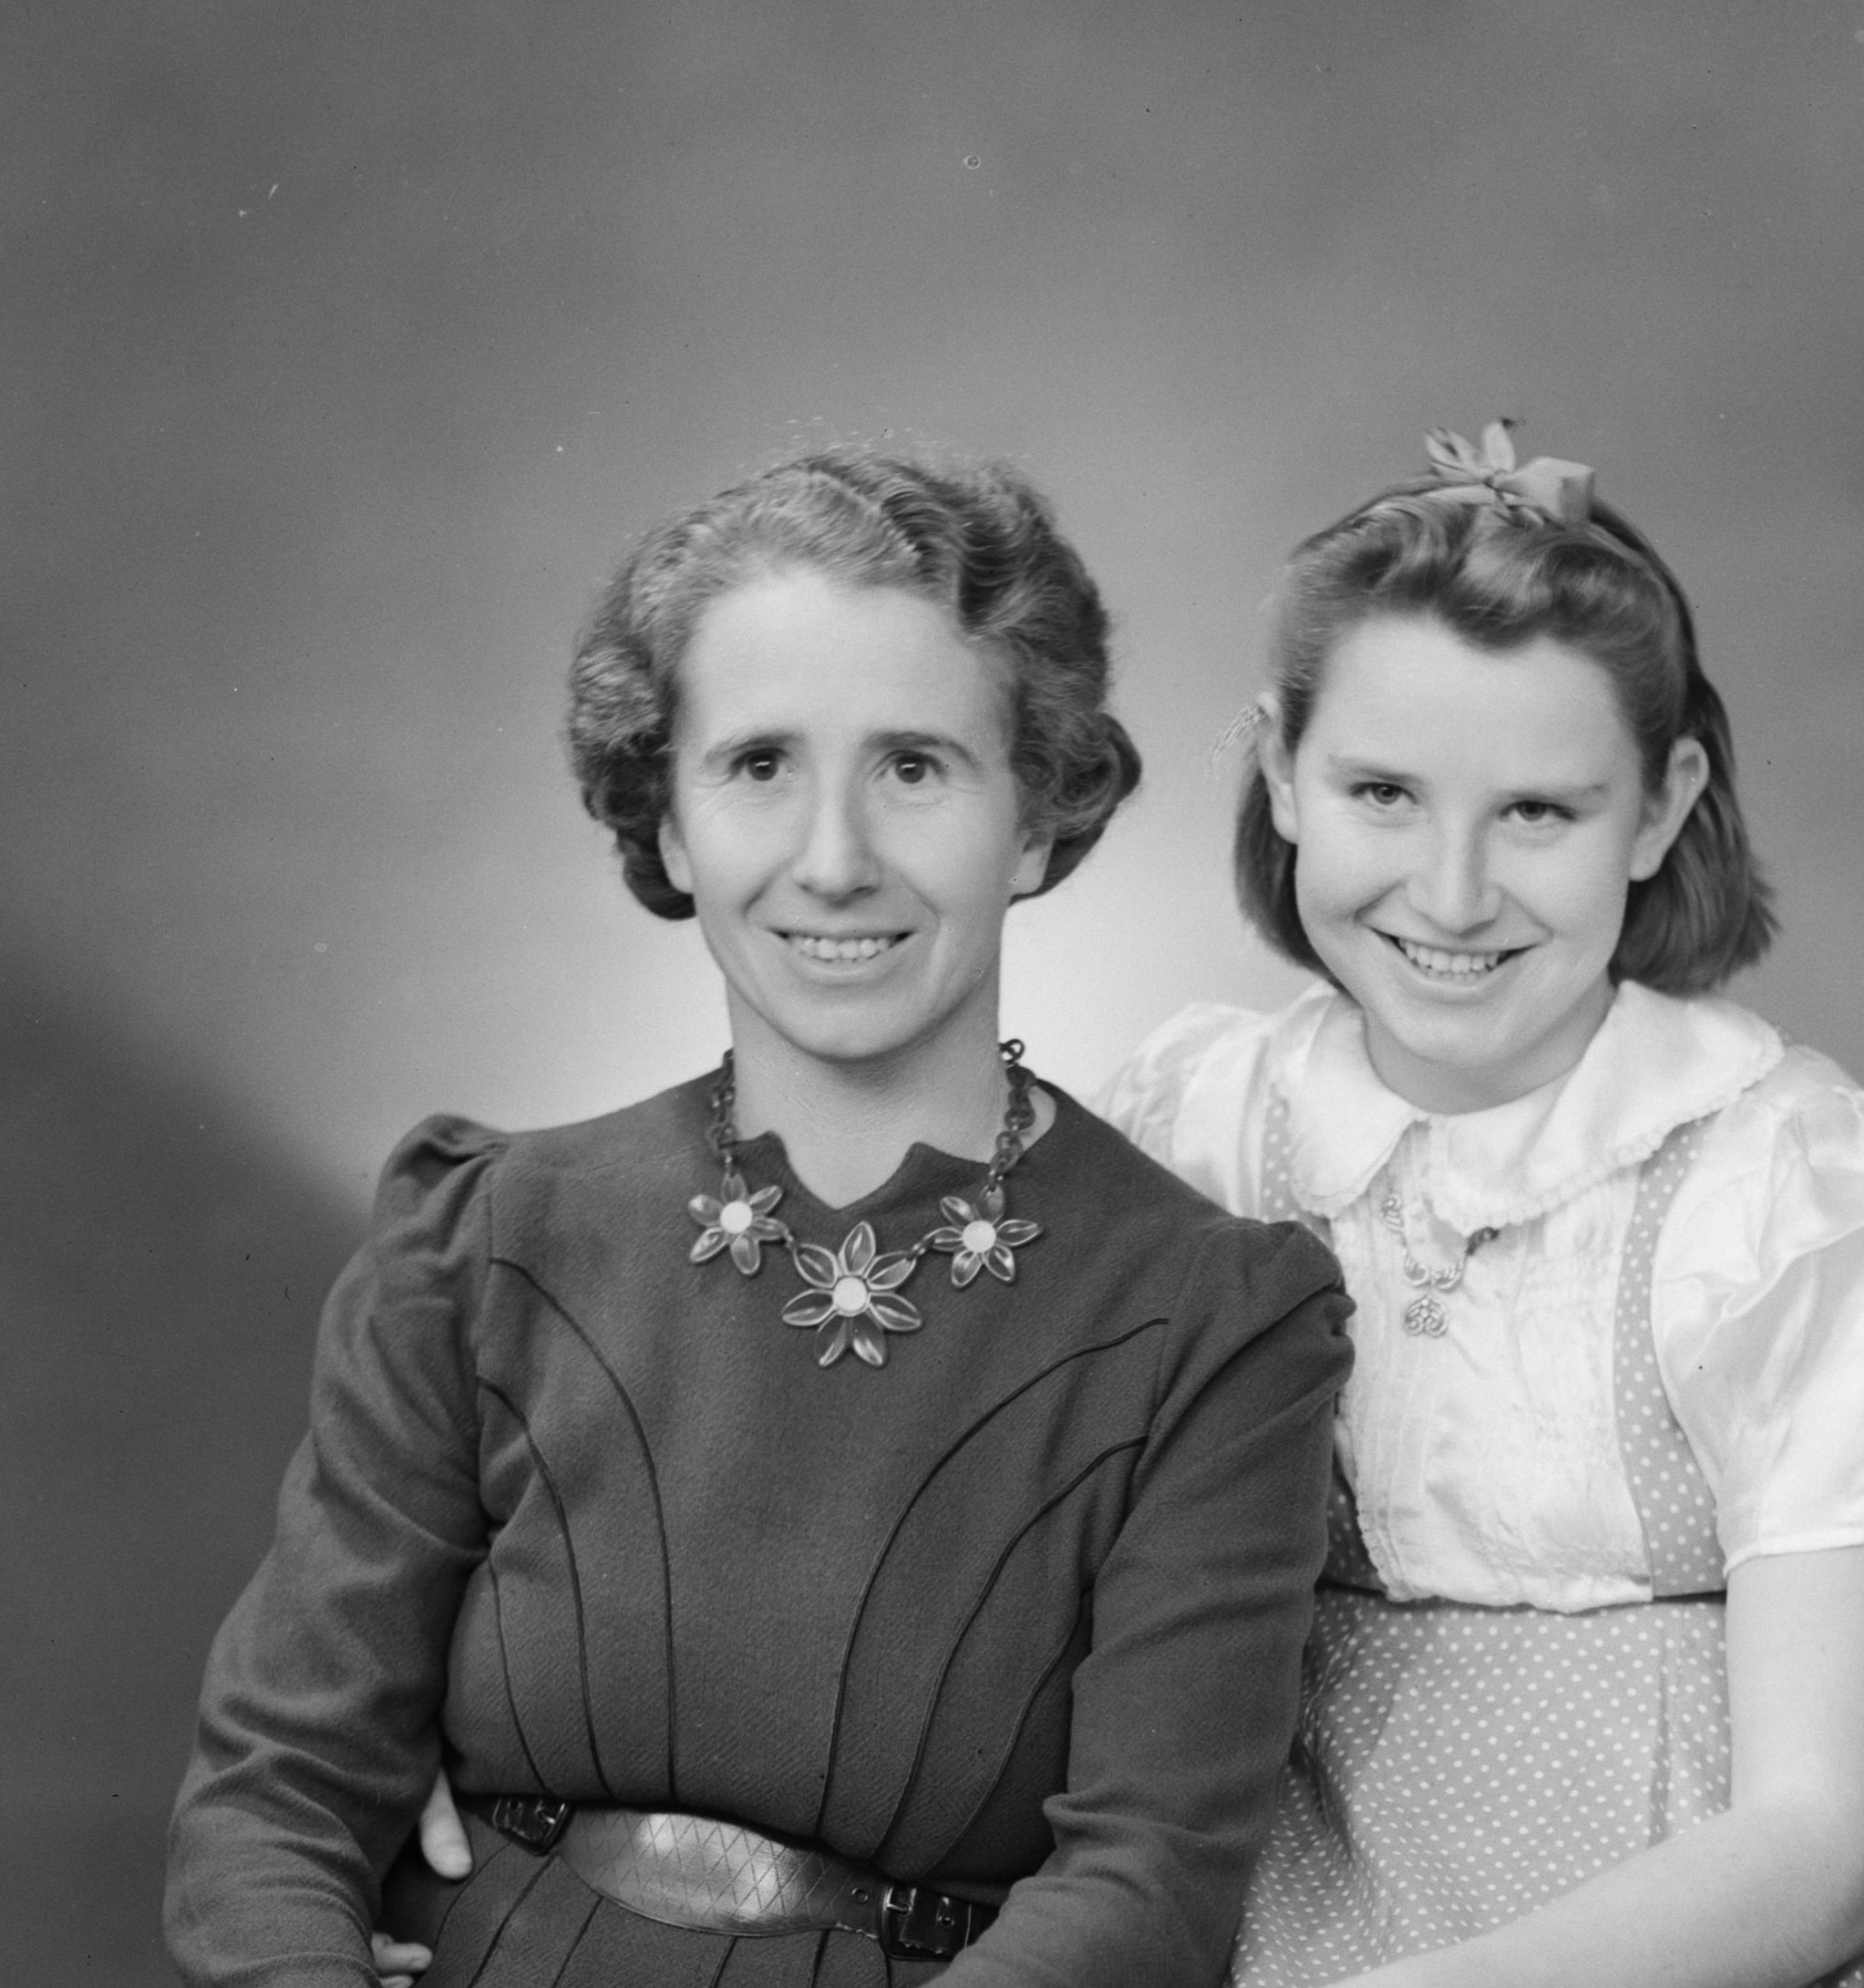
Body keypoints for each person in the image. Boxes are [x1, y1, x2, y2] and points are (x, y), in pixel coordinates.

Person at [164, 448, 1354, 1988]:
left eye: (915, 766)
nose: (835, 859)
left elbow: (1147, 1884)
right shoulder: (479, 1237)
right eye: (759, 766)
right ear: (666, 823)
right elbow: (276, 1793)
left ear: (1040, 816)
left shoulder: (1214, 1317)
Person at [1098, 426, 1864, 1988]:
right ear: (1281, 778)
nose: (1451, 896)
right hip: (1269, 1911)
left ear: (1658, 812)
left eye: (1536, 813)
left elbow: (1815, 1848)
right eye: (1383, 791)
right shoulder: (1201, 1134)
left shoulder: (1765, 1179)